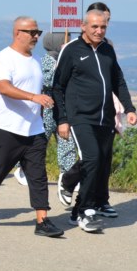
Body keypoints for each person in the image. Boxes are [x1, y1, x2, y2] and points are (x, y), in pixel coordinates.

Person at [0, 17, 64, 238]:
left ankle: (42, 220)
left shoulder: (37, 60)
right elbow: (4, 88)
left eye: (37, 32)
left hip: (34, 130)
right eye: (31, 32)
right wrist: (33, 97)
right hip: (6, 128)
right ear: (17, 32)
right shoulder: (4, 58)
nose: (36, 36)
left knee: (38, 176)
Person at [52, 9, 137, 232]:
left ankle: (72, 192)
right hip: (80, 116)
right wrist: (62, 119)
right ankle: (86, 212)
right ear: (83, 26)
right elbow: (58, 87)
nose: (99, 31)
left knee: (99, 163)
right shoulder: (71, 50)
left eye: (103, 27)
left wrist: (129, 108)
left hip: (105, 117)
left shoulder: (108, 50)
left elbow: (118, 80)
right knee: (92, 158)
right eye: (94, 27)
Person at [40, 32, 78, 207]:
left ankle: (67, 173)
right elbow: (48, 80)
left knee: (66, 140)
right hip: (48, 105)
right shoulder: (48, 59)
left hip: (62, 104)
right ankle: (26, 168)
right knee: (42, 138)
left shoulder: (65, 59)